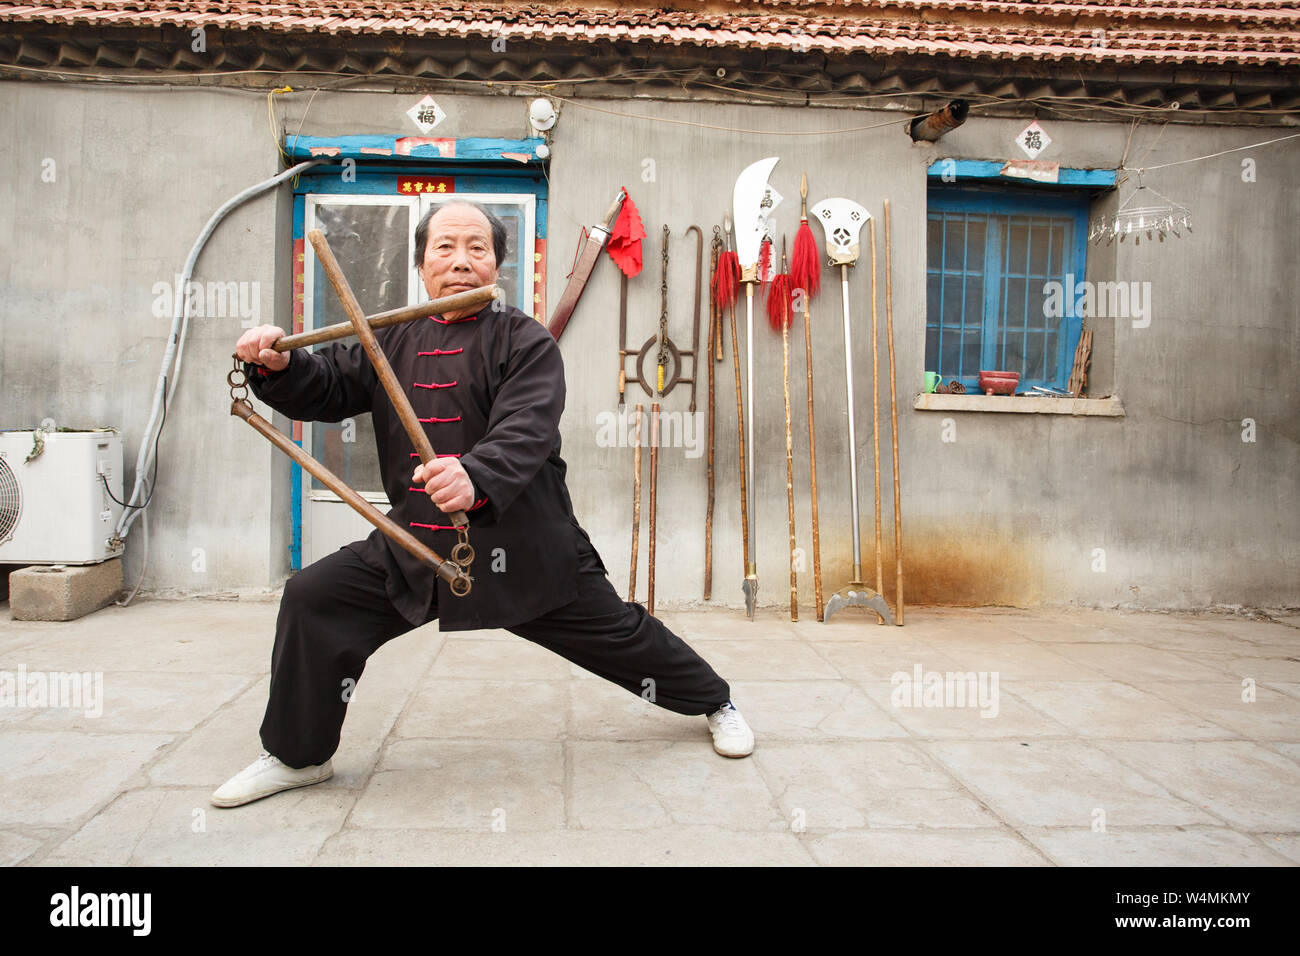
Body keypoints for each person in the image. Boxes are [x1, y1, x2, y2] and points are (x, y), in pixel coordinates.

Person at [214, 201, 753, 808]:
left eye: (477, 248)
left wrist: (476, 475)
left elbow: (527, 428)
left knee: (623, 638)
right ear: (422, 264)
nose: (461, 262)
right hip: (418, 544)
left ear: (498, 264)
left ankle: (715, 700)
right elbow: (329, 385)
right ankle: (297, 756)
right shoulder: (388, 336)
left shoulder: (525, 340)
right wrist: (280, 366)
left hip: (522, 543)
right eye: (444, 248)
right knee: (315, 599)